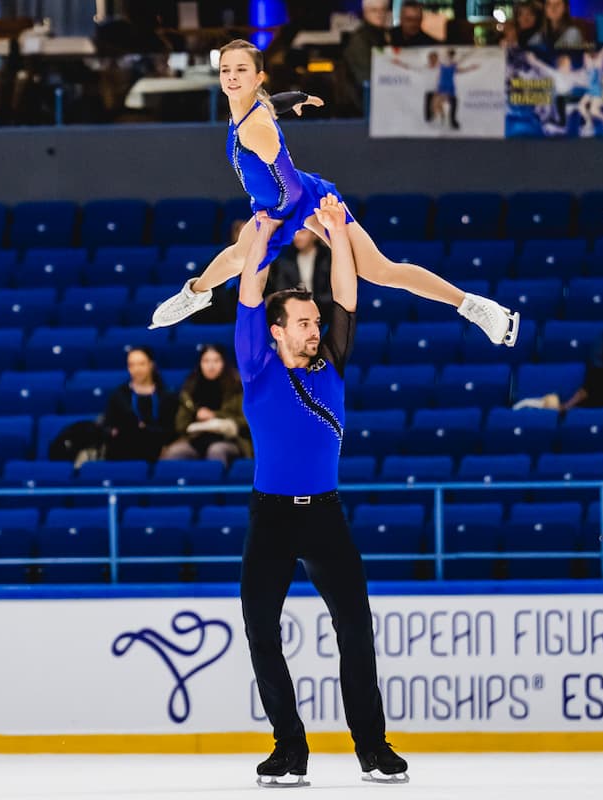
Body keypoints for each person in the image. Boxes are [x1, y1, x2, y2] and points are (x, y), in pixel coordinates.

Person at [149, 39, 518, 350]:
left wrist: (288, 220)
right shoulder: (250, 103)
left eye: (241, 70)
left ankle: (476, 306)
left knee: (379, 271)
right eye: (226, 70)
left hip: (297, 201)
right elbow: (268, 102)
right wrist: (299, 97)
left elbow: (290, 185)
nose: (232, 77)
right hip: (273, 204)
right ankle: (193, 295)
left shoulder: (255, 130)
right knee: (235, 259)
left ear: (257, 75)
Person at [236, 195, 408, 787]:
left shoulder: (331, 363)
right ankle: (289, 747)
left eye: (316, 323)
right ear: (278, 331)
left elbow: (349, 297)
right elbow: (249, 294)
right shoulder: (257, 365)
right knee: (261, 627)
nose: (315, 330)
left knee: (355, 630)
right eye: (305, 323)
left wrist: (336, 233)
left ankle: (373, 747)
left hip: (325, 518)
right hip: (272, 519)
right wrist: (259, 236)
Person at [161, 345, 252, 466]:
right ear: (200, 363)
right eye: (206, 361)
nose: (211, 366)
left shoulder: (236, 388)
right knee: (174, 452)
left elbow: (246, 421)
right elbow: (180, 425)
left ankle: (217, 485)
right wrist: (195, 417)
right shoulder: (190, 388)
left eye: (216, 360)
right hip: (196, 439)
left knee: (216, 451)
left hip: (230, 439)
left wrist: (214, 416)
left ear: (224, 363)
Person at [102, 347, 179, 462]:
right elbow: (108, 425)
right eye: (132, 365)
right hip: (124, 448)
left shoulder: (166, 396)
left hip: (157, 446)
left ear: (151, 364)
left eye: (141, 364)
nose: (136, 369)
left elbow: (171, 429)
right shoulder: (119, 395)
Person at [265, 228, 333, 316]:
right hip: (295, 312)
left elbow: (333, 292)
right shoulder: (284, 260)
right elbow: (282, 290)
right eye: (294, 232)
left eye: (302, 232)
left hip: (326, 312)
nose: (297, 236)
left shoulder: (328, 258)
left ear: (315, 235)